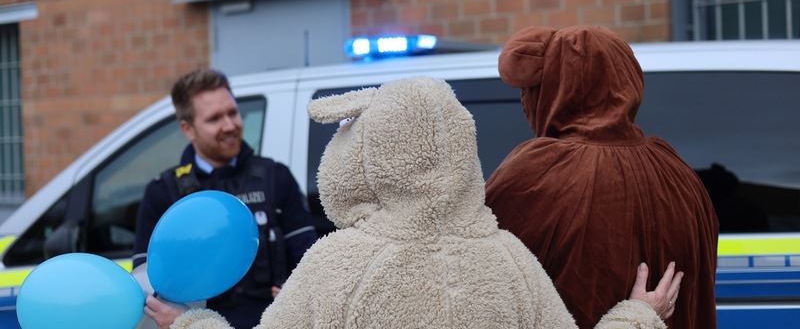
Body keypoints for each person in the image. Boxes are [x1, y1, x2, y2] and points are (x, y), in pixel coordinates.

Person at [143, 76, 682, 329]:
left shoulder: (337, 264)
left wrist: (189, 326)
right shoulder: (510, 259)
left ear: (366, 157)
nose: (230, 124)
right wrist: (639, 316)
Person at [485, 25, 719, 329]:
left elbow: (482, 285)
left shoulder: (533, 172)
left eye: (531, 91)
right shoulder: (678, 171)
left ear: (552, 92)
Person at [133, 67, 318, 329]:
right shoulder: (163, 193)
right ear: (188, 129)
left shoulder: (276, 177)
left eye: (232, 112)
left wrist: (298, 289)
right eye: (215, 119)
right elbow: (149, 286)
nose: (230, 125)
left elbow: (309, 260)